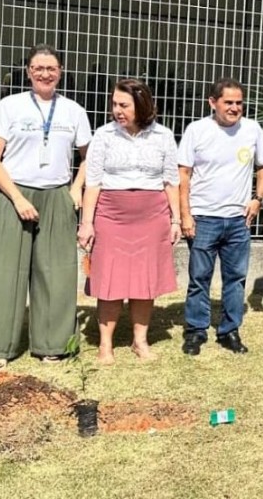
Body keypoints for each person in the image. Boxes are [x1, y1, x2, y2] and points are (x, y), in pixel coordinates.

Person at [0, 44, 91, 368]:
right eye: (38, 68)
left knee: (56, 272)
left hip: (56, 195)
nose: (45, 74)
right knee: (5, 270)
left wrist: (76, 189)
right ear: (29, 72)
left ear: (60, 72)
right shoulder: (9, 106)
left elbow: (89, 157)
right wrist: (17, 198)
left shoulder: (73, 111)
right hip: (13, 194)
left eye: (51, 68)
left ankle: (52, 343)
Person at [77, 78, 181, 364]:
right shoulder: (103, 135)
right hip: (111, 216)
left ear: (141, 105)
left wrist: (176, 220)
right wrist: (87, 223)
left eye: (124, 105)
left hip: (152, 217)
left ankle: (140, 341)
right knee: (109, 279)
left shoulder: (163, 136)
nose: (117, 110)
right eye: (114, 104)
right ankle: (105, 345)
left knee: (145, 281)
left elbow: (171, 181)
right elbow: (93, 183)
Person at [178, 78, 263, 356]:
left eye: (239, 103)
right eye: (228, 102)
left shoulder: (252, 129)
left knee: (236, 278)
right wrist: (185, 215)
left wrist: (258, 198)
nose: (234, 108)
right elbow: (183, 174)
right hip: (203, 217)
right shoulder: (197, 130)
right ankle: (196, 330)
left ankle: (229, 330)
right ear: (213, 102)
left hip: (238, 220)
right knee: (199, 278)